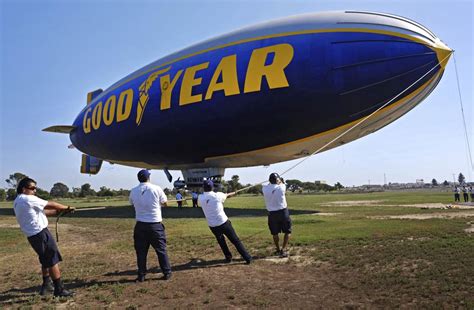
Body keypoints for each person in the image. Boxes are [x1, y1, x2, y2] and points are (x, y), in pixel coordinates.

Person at [13, 177, 75, 297]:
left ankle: (46, 285)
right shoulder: (27, 198)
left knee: (45, 258)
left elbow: (42, 212)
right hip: (40, 234)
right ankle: (59, 289)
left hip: (33, 235)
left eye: (35, 188)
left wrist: (60, 212)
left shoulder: (18, 200)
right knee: (52, 260)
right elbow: (50, 204)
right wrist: (66, 207)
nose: (34, 190)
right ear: (24, 189)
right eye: (32, 188)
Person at [129, 169, 172, 282]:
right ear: (148, 177)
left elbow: (132, 203)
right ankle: (166, 272)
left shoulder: (133, 191)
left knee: (141, 252)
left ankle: (142, 275)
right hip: (155, 226)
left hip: (140, 226)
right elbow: (165, 203)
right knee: (161, 250)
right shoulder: (157, 188)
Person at [198, 179, 252, 264]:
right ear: (212, 187)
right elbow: (227, 196)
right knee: (235, 241)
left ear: (203, 188)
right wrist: (234, 193)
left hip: (212, 225)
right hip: (223, 223)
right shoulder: (217, 195)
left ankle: (228, 257)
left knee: (221, 242)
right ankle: (247, 258)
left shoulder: (200, 198)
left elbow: (203, 199)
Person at [262, 173, 292, 258]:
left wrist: (270, 182)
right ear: (277, 180)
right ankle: (283, 249)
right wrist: (280, 180)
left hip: (272, 214)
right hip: (283, 212)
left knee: (274, 233)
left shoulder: (265, 189)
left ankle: (278, 249)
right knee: (287, 231)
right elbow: (282, 182)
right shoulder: (281, 187)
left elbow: (267, 185)